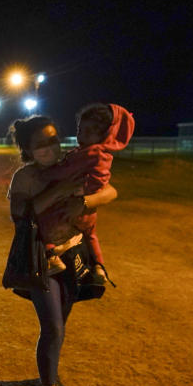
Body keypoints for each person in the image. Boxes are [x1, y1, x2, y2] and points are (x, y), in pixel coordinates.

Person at [7, 115, 118, 386]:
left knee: (60, 326)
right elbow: (20, 215)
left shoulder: (73, 163)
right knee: (53, 326)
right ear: (28, 150)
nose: (50, 148)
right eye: (40, 144)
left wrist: (87, 201)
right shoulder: (25, 178)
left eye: (53, 139)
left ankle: (49, 372)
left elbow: (111, 191)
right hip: (41, 258)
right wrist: (58, 192)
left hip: (73, 255)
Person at [38, 103, 134, 284]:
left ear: (104, 134)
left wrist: (47, 174)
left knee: (44, 221)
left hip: (71, 207)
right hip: (89, 213)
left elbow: (64, 172)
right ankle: (99, 266)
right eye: (80, 130)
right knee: (91, 235)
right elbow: (105, 184)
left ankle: (51, 257)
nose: (81, 136)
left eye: (89, 132)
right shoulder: (104, 154)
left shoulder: (90, 152)